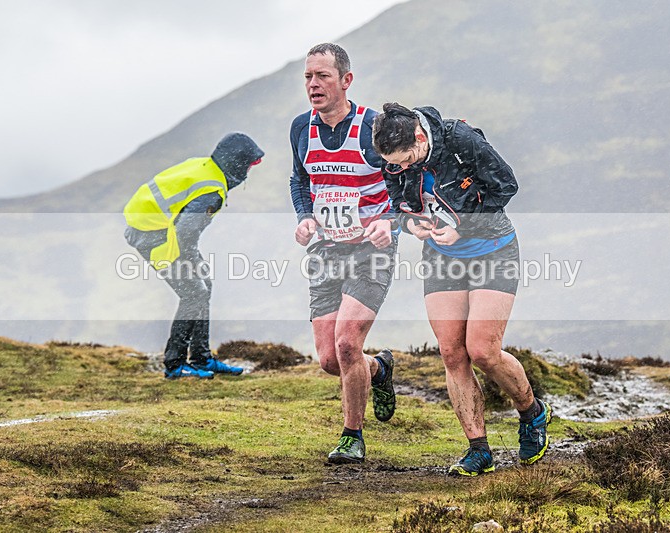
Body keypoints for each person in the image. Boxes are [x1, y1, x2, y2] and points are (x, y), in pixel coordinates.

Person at [372, 103, 552, 476]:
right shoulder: (393, 158)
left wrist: (464, 228)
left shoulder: (460, 139)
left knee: (483, 350)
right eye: (394, 164)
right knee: (452, 352)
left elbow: (506, 186)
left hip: (492, 248)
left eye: (406, 160)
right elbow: (396, 204)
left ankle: (532, 413)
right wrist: (409, 225)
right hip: (441, 255)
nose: (401, 168)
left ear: (420, 138)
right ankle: (478, 449)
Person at [289, 43, 398, 464]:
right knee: (331, 359)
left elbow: (404, 183)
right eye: (308, 78)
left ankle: (352, 437)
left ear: (346, 81)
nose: (314, 85)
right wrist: (304, 217)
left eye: (323, 77)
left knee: (348, 343)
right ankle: (379, 369)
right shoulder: (301, 127)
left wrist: (388, 221)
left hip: (372, 249)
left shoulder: (374, 126)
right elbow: (300, 179)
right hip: (326, 249)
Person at [124, 132, 264, 379]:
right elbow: (186, 230)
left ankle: (201, 359)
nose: (247, 174)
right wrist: (188, 260)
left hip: (155, 226)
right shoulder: (212, 190)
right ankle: (174, 365)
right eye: (247, 167)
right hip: (154, 235)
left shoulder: (205, 167)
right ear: (237, 165)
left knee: (203, 285)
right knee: (194, 293)